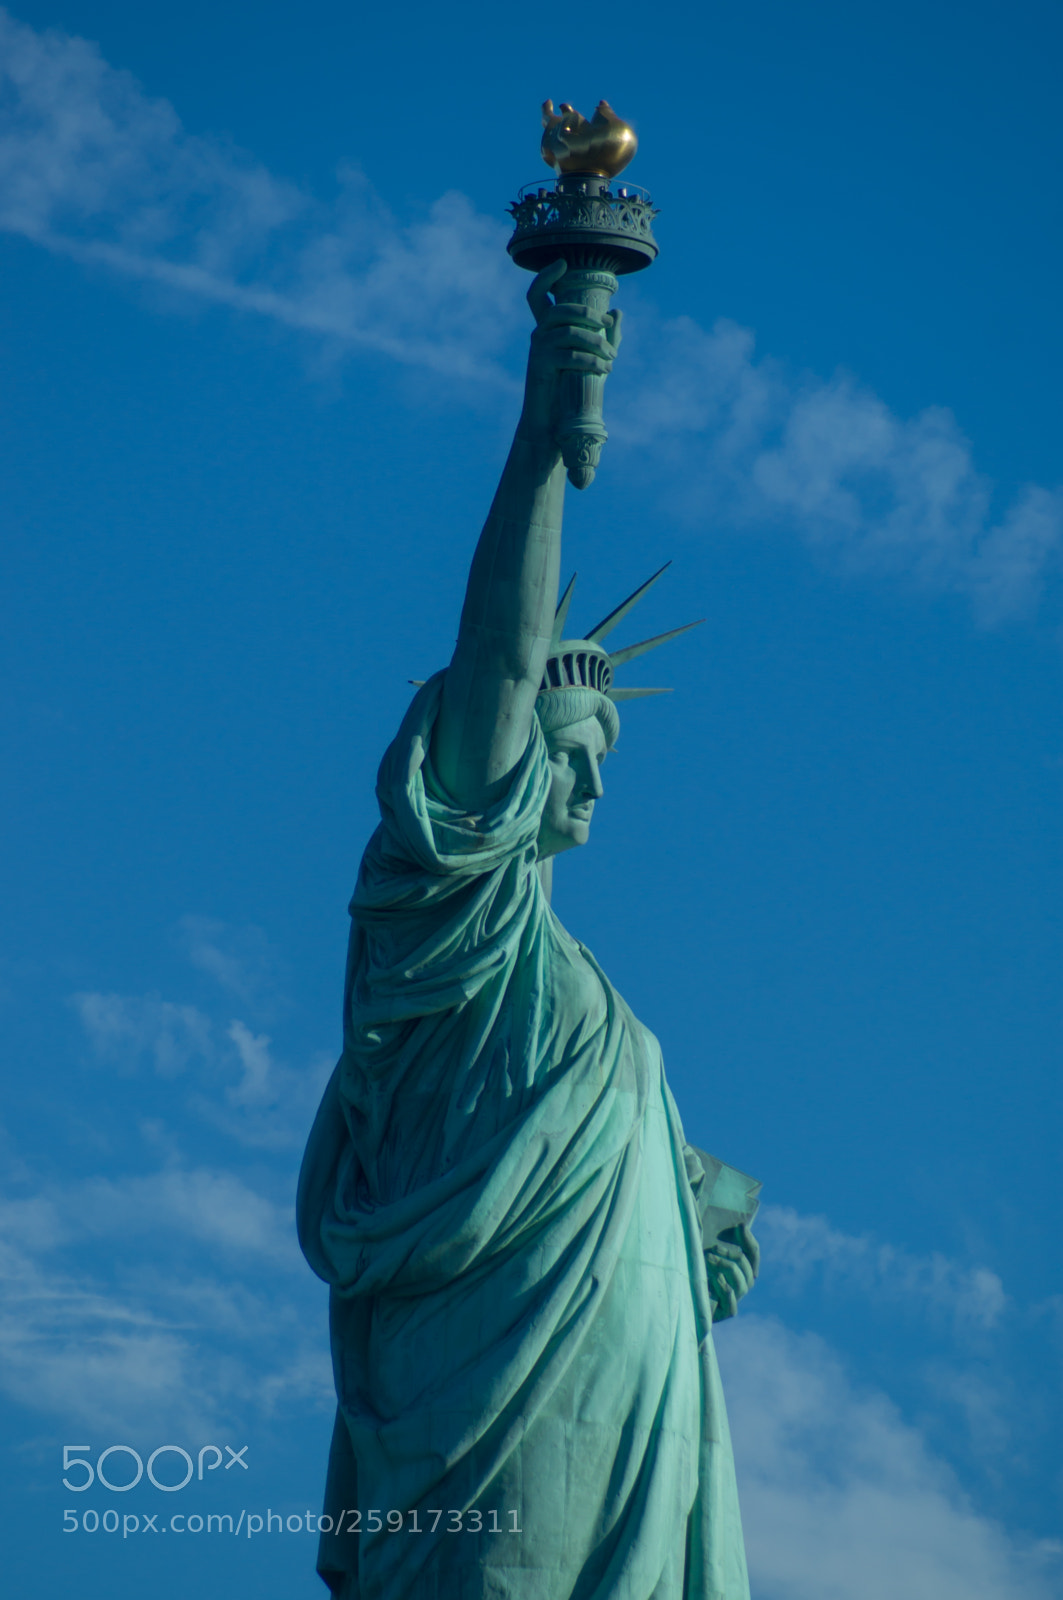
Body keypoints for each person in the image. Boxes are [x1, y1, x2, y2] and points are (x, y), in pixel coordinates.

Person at [297, 260, 760, 1600]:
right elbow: (501, 655)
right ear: (486, 775)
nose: (595, 782)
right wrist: (555, 401)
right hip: (491, 1418)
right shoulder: (456, 919)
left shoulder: (591, 994)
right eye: (570, 751)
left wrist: (697, 1221)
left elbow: (672, 1218)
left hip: (630, 1421)